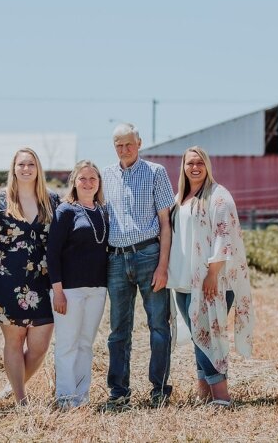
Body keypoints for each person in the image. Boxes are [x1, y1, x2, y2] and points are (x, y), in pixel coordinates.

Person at [168, 146, 255, 407]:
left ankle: (221, 397)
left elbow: (224, 236)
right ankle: (204, 394)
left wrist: (212, 274)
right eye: (189, 163)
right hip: (183, 281)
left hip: (211, 281)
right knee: (199, 336)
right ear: (183, 167)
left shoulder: (218, 197)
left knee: (209, 336)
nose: (194, 167)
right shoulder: (180, 197)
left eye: (199, 163)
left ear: (207, 165)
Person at [101, 123, 175, 410]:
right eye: (119, 145)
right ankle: (118, 392)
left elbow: (166, 224)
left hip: (148, 255)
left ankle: (159, 389)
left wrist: (163, 266)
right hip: (116, 259)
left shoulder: (155, 173)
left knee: (158, 326)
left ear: (139, 143)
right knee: (118, 330)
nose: (124, 149)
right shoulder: (105, 176)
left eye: (129, 144)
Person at [0, 147, 60, 405]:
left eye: (31, 164)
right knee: (15, 340)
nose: (26, 168)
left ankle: (11, 387)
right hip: (8, 277)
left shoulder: (51, 200)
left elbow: (61, 241)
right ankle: (21, 399)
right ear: (14, 168)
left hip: (44, 279)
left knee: (39, 346)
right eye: (21, 164)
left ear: (37, 168)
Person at [47, 160, 108, 410]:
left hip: (97, 290)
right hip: (69, 290)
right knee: (67, 344)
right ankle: (65, 398)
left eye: (93, 178)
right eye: (82, 178)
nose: (88, 183)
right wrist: (58, 291)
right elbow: (52, 252)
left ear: (99, 183)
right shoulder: (65, 211)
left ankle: (82, 397)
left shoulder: (102, 211)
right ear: (74, 182)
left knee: (85, 343)